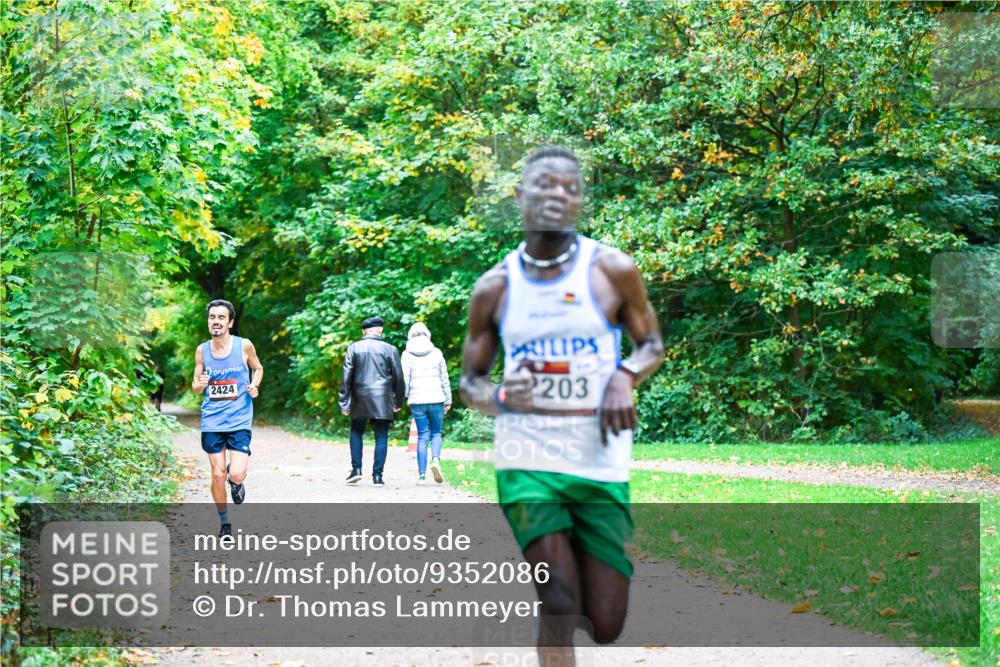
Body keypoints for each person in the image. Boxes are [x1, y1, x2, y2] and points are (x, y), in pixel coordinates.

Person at [460, 145, 664, 666]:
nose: (557, 195)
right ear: (520, 195)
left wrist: (623, 375)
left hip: (599, 457)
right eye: (545, 184)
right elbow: (471, 383)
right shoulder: (495, 287)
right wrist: (501, 396)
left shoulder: (612, 270)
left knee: (606, 623)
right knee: (557, 601)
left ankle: (576, 555)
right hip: (528, 461)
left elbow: (652, 345)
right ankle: (558, 566)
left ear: (579, 202)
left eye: (569, 188)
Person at [191, 299, 263, 538]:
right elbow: (195, 385)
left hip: (239, 419)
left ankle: (237, 482)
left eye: (221, 318)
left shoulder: (244, 346)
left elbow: (258, 368)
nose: (216, 322)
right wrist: (199, 384)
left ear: (230, 322)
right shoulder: (202, 350)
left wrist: (253, 385)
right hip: (212, 420)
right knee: (217, 474)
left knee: (234, 474)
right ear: (208, 321)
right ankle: (225, 524)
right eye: (212, 317)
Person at [339, 316, 405, 486]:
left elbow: (346, 377)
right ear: (380, 330)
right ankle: (377, 476)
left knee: (356, 431)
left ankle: (356, 470)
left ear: (364, 331)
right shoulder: (390, 349)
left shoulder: (353, 348)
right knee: (381, 435)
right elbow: (399, 377)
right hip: (383, 398)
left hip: (359, 396)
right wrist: (398, 401)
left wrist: (344, 402)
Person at [401, 322, 452, 485]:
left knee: (422, 436)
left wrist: (407, 396)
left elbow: (405, 380)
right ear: (427, 334)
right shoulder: (436, 352)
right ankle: (435, 460)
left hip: (417, 400)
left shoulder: (406, 354)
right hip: (436, 398)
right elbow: (444, 378)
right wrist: (448, 399)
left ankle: (422, 476)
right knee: (436, 433)